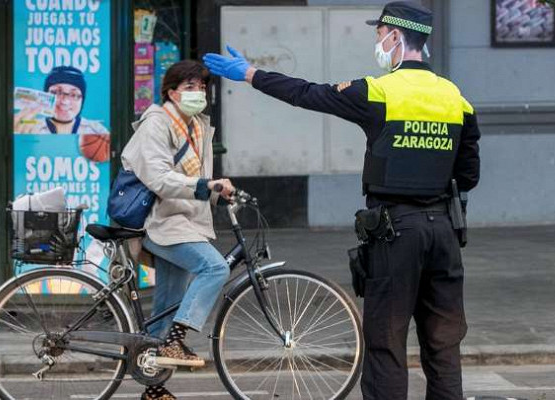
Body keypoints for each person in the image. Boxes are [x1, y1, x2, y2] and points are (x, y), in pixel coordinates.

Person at [203, 2, 481, 399]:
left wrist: (250, 74)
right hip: (445, 235)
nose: (378, 42)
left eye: (379, 34)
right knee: (443, 343)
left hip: (396, 231)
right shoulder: (456, 98)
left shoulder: (379, 91)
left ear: (396, 37)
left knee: (386, 340)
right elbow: (469, 175)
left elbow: (306, 93)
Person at [121, 59, 234, 400]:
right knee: (215, 267)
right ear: (171, 92)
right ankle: (174, 342)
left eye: (201, 87)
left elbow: (200, 178)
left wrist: (219, 192)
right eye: (189, 87)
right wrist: (205, 187)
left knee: (166, 306)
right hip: (161, 223)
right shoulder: (156, 124)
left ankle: (153, 389)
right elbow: (158, 177)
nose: (197, 92)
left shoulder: (197, 125)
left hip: (185, 221)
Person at [14, 65, 108, 134]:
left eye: (73, 94)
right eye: (57, 93)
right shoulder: (30, 125)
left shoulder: (97, 130)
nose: (64, 101)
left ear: (82, 100)